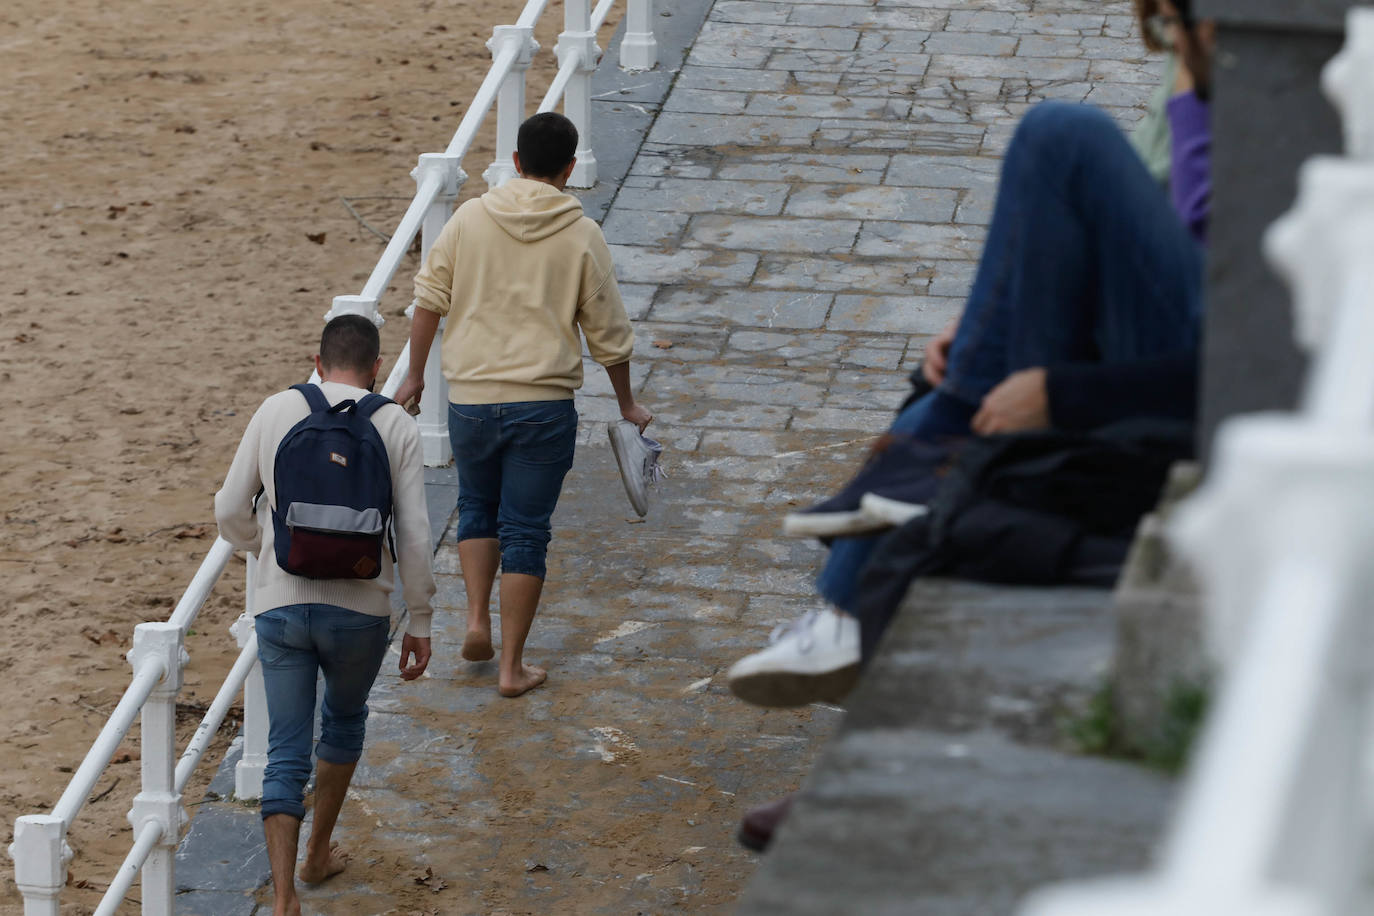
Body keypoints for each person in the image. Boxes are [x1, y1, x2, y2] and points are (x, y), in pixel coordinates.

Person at [728, 0, 1213, 715]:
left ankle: (864, 583)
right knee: (945, 389)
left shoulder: (1254, 90)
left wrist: (1062, 391)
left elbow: (1222, 304)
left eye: (1182, 22)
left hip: (1200, 366)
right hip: (1141, 330)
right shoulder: (1194, 64)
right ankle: (843, 618)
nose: (1172, 35)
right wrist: (994, 321)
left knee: (1061, 132)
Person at [394, 111, 652, 698]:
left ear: (514, 162)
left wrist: (414, 376)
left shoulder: (468, 220)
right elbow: (608, 333)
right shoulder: (581, 234)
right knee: (527, 532)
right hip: (543, 405)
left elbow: (429, 298)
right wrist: (627, 404)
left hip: (472, 402)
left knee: (476, 507)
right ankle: (512, 669)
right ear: (568, 169)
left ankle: (476, 619)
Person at [214, 315, 436, 916]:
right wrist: (420, 618)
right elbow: (414, 534)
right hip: (361, 612)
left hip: (282, 606)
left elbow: (230, 507)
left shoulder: (275, 409)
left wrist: (266, 551)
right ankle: (317, 855)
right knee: (342, 723)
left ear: (317, 363)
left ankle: (285, 897)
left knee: (285, 749)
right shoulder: (394, 424)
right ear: (374, 367)